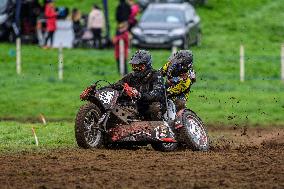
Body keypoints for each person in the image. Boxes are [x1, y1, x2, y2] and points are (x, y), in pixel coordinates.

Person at [110, 50, 165, 120]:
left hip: (149, 107)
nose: (136, 69)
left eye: (139, 66)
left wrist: (139, 94)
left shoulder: (156, 75)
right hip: (135, 106)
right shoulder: (131, 76)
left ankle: (159, 126)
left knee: (155, 107)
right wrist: (97, 91)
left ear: (147, 66)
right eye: (134, 66)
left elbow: (157, 94)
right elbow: (115, 85)